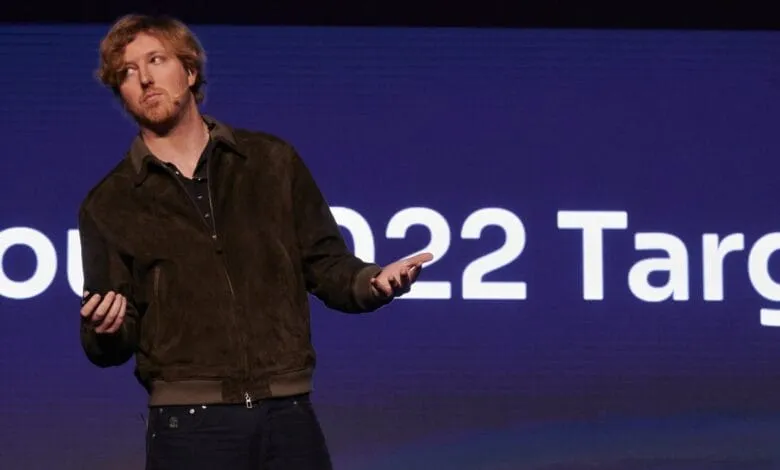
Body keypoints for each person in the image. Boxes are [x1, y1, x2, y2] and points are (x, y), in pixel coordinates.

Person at [78, 14, 432, 470]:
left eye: (156, 59)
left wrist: (371, 282)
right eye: (127, 72)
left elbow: (325, 263)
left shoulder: (269, 162)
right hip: (187, 426)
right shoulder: (110, 202)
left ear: (188, 72)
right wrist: (104, 332)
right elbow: (112, 331)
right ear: (121, 94)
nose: (144, 77)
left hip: (287, 415)